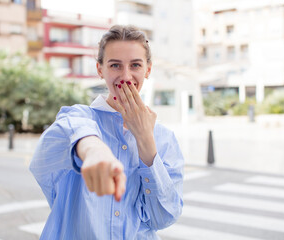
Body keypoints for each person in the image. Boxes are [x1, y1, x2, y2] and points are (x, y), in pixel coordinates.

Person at [30, 25, 184, 239]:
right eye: (115, 65)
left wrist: (145, 140)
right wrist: (92, 148)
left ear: (148, 69)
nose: (126, 76)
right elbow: (48, 152)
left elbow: (163, 218)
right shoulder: (80, 117)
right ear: (100, 69)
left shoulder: (164, 139)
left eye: (135, 65)